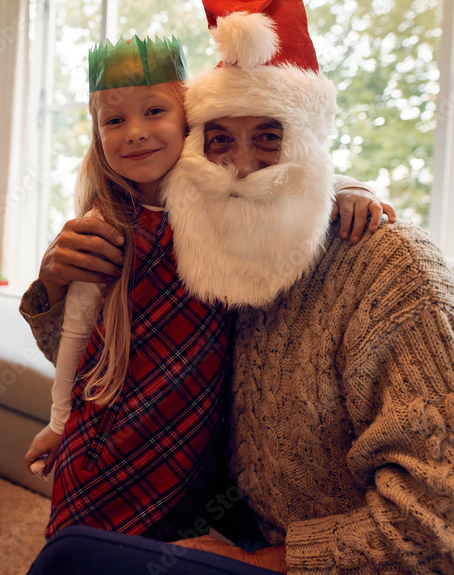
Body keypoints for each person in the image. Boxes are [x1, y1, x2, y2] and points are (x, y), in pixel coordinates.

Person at [22, 0, 454, 573]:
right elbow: (109, 362)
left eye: (270, 136)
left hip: (311, 558)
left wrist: (269, 559)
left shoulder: (394, 270)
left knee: (73, 562)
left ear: (312, 143)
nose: (241, 168)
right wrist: (53, 286)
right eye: (218, 140)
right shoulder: (213, 248)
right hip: (227, 519)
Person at [24, 33, 396, 543]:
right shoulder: (104, 226)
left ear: (188, 123)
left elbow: (292, 179)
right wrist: (58, 422)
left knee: (167, 546)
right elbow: (75, 335)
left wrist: (351, 187)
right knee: (83, 548)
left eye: (154, 112)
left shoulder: (216, 198)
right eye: (113, 120)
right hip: (107, 431)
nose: (134, 134)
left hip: (195, 435)